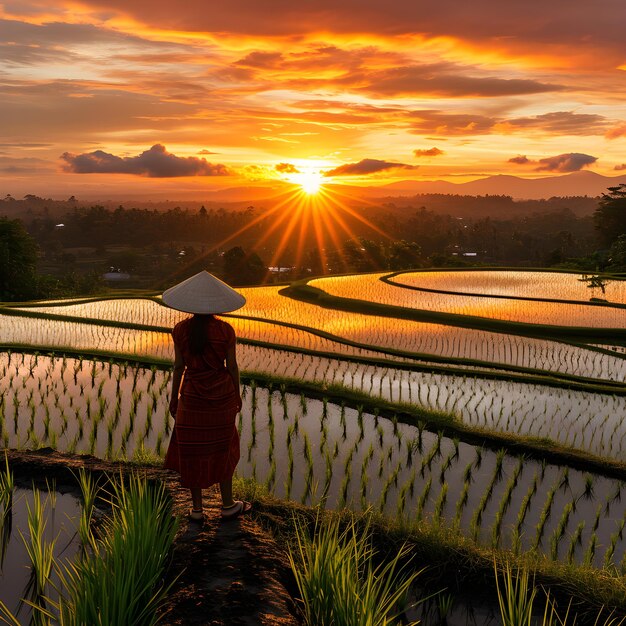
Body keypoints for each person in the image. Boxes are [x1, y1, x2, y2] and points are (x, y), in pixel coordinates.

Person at [162, 271, 251, 522]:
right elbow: (232, 366)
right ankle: (228, 505)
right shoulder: (225, 330)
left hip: (191, 399)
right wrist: (237, 393)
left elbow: (179, 366)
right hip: (221, 398)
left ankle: (198, 510)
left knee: (192, 451)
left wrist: (173, 399)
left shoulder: (180, 330)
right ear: (216, 304)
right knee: (223, 448)